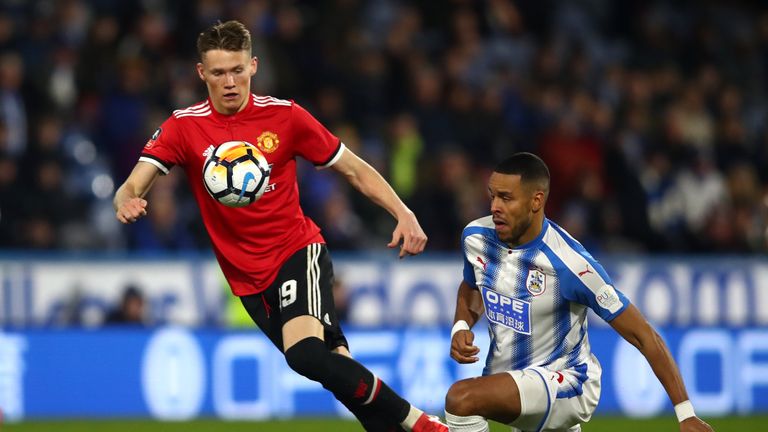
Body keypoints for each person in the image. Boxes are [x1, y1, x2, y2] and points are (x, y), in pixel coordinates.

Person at [113, 20, 445, 432]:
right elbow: (132, 182)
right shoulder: (184, 126)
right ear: (202, 74)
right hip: (247, 279)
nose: (229, 82)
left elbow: (353, 169)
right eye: (218, 73)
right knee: (332, 368)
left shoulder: (286, 117)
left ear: (253, 66)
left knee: (304, 354)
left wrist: (403, 212)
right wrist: (126, 201)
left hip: (297, 251)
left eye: (237, 70)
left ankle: (424, 424)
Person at [444, 152, 714, 432]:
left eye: (506, 198)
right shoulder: (476, 237)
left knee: (461, 399)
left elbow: (644, 335)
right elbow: (472, 284)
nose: (495, 206)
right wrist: (461, 325)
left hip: (567, 382)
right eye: (492, 196)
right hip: (516, 382)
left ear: (536, 201)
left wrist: (686, 414)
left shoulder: (572, 264)